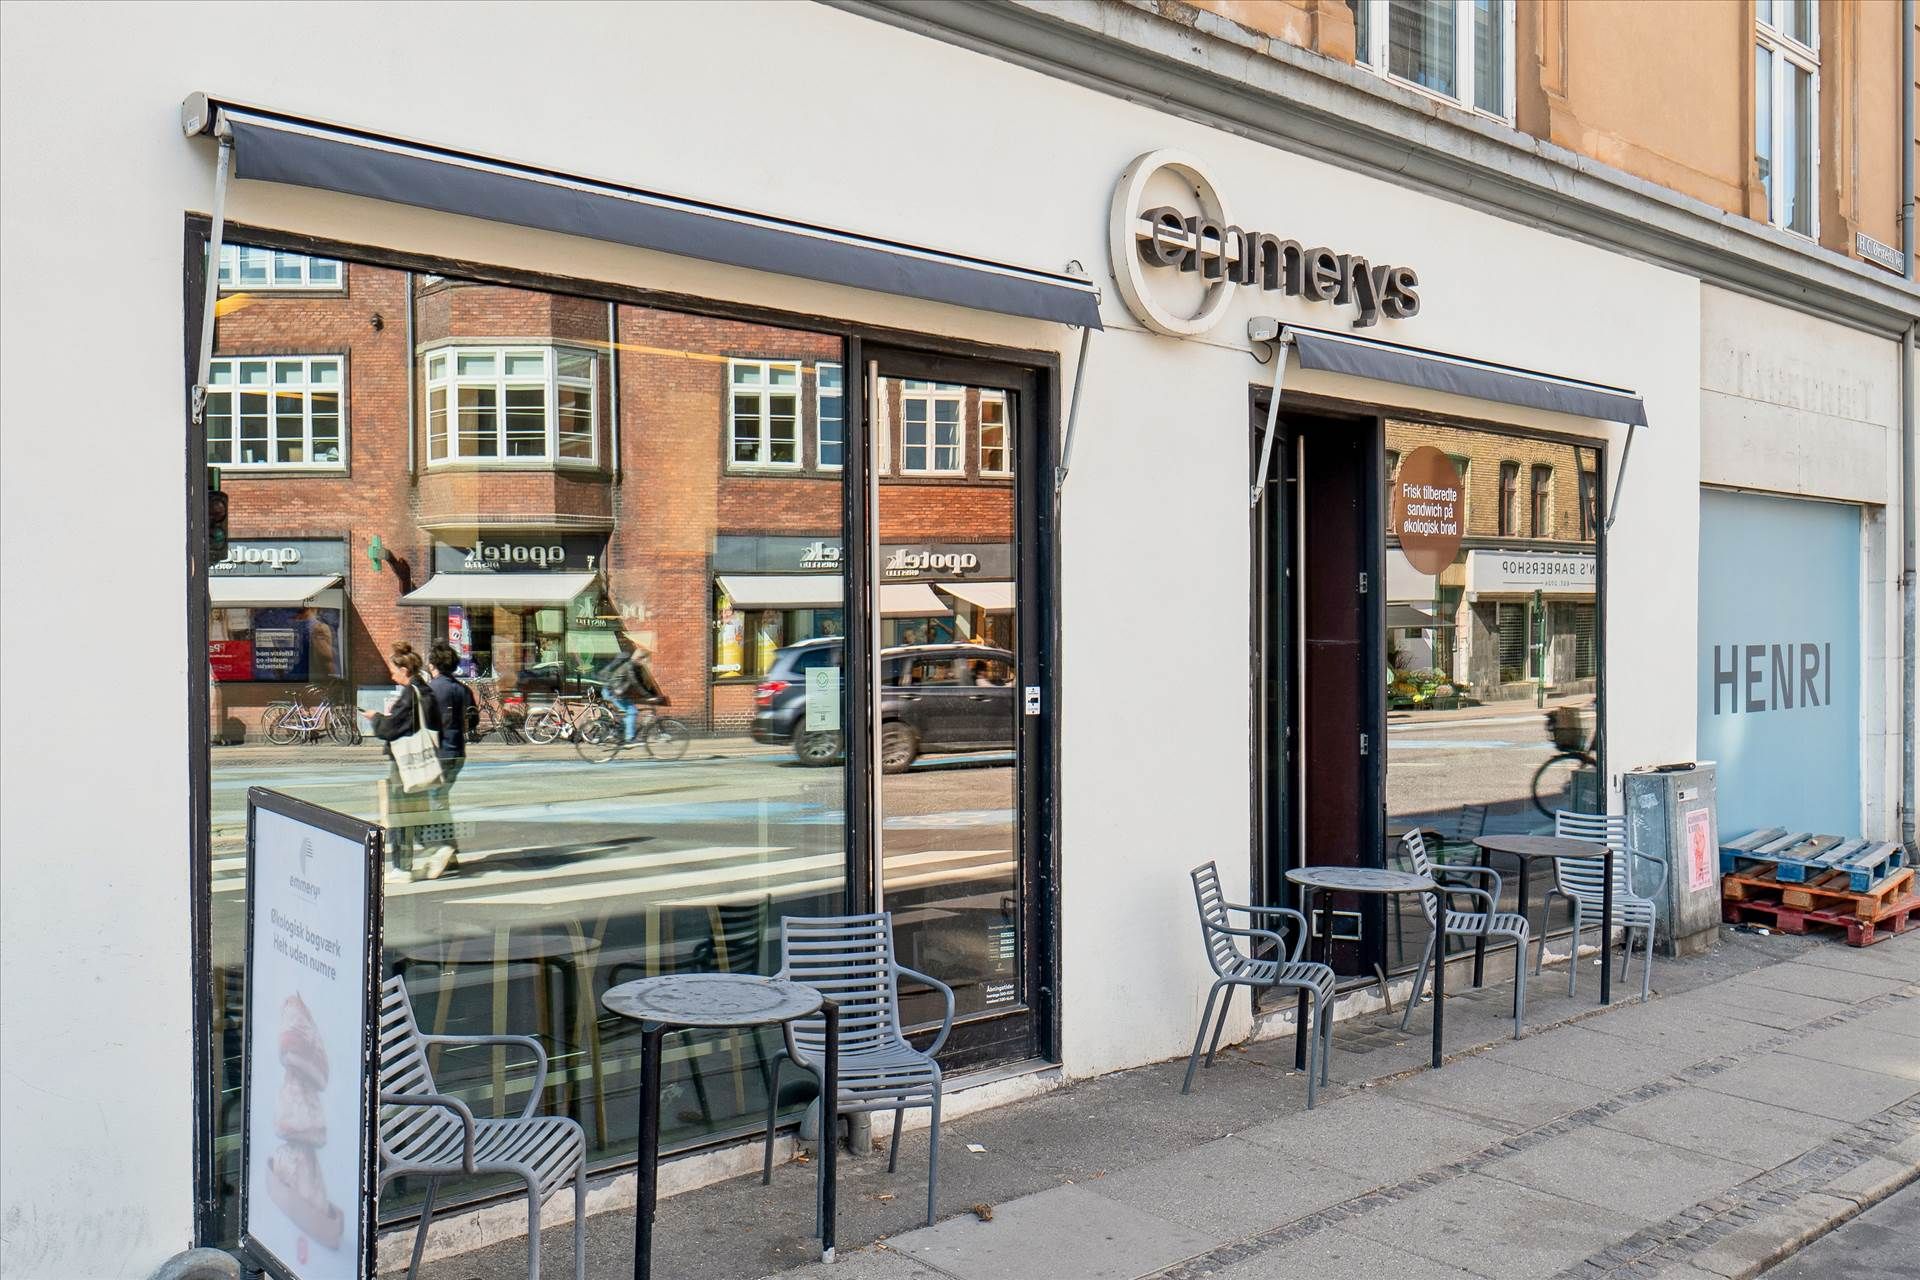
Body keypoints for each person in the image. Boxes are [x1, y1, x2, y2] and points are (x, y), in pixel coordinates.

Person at [361, 643, 435, 882]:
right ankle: (429, 852)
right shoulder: (425, 691)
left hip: (406, 763)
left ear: (405, 670)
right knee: (414, 812)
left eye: (394, 670)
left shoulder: (410, 694)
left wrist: (377, 718)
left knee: (400, 814)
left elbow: (392, 728)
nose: (391, 675)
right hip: (420, 761)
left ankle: (403, 867)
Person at [420, 641, 476, 880]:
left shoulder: (430, 689)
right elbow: (472, 721)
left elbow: (423, 723)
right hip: (457, 752)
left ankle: (444, 847)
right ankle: (450, 852)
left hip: (439, 752)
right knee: (440, 800)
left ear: (432, 665)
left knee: (434, 802)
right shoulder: (463, 689)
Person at [603, 641, 666, 743]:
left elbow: (641, 683)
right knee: (632, 711)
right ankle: (630, 738)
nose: (647, 662)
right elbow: (636, 683)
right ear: (639, 658)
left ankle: (618, 732)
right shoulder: (630, 667)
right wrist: (649, 696)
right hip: (612, 692)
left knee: (629, 713)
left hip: (617, 692)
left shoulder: (635, 667)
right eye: (646, 659)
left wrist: (652, 694)